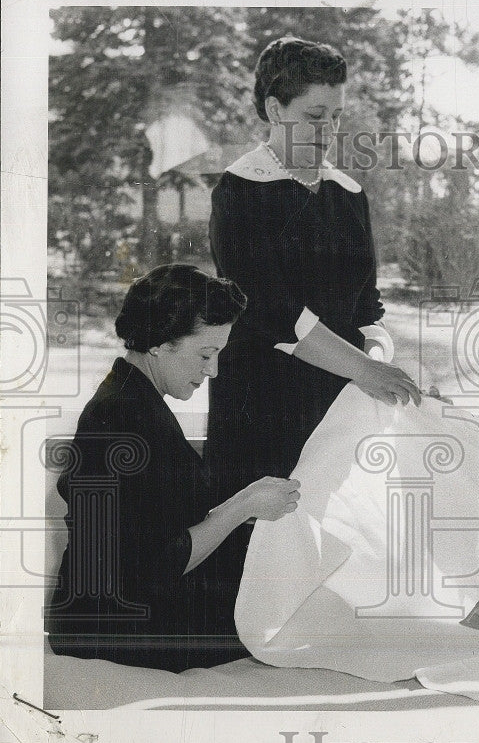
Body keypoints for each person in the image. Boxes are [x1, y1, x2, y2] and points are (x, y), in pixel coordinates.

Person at [205, 37, 421, 607]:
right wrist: (363, 371)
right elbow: (270, 311)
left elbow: (367, 306)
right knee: (259, 533)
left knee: (321, 533)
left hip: (335, 391)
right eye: (314, 116)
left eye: (337, 117)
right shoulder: (239, 190)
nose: (328, 131)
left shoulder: (349, 195)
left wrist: (376, 359)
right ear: (275, 110)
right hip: (262, 391)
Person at [46, 265, 301, 672]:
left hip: (125, 609)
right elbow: (155, 564)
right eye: (206, 354)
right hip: (113, 627)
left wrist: (246, 506)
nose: (213, 371)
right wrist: (242, 505)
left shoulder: (134, 396)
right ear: (159, 344)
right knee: (292, 621)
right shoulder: (121, 414)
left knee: (290, 596)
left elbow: (163, 525)